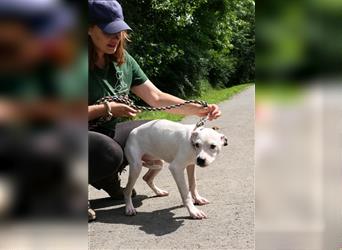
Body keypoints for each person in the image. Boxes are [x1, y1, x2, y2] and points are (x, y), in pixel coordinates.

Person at [88, 0, 221, 221]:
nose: (115, 38)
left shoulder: (123, 61)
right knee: (109, 152)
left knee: (153, 131)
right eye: (107, 31)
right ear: (88, 29)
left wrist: (200, 109)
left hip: (105, 132)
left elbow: (156, 97)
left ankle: (105, 177)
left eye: (119, 31)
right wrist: (107, 108)